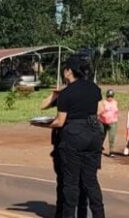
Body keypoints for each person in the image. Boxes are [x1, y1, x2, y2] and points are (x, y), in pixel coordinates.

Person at [50, 57, 105, 218]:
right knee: (91, 181)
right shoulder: (94, 88)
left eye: (64, 70)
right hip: (94, 133)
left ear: (69, 71)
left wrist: (46, 124)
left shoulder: (66, 93)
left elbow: (60, 121)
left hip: (73, 135)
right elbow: (100, 110)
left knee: (71, 182)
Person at [40, 87, 88, 217]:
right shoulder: (63, 96)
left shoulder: (85, 97)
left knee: (77, 182)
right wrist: (54, 94)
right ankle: (61, 212)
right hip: (59, 145)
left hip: (74, 143)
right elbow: (43, 105)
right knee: (62, 181)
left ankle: (78, 212)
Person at [98, 89, 120, 157]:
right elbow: (98, 112)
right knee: (101, 135)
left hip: (113, 122)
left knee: (112, 137)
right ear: (106, 96)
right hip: (102, 122)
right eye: (108, 96)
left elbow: (116, 111)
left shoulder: (115, 102)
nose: (110, 98)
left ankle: (111, 151)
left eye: (111, 96)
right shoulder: (102, 102)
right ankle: (99, 148)